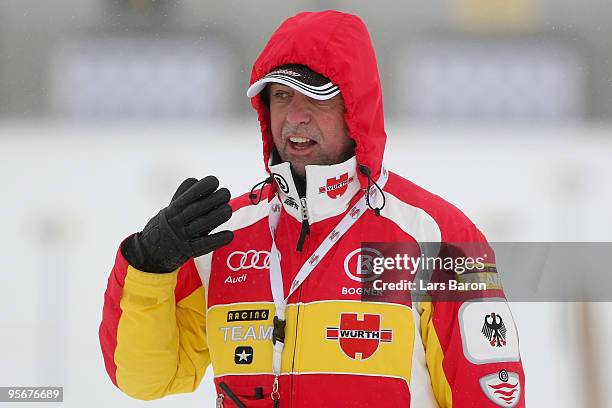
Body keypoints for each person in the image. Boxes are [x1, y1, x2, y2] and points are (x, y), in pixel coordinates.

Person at [100, 10, 525, 407]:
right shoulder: (224, 235)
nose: (296, 117)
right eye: (281, 96)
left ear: (355, 109)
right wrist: (148, 267)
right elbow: (144, 377)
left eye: (317, 97)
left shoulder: (435, 234)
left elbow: (491, 393)